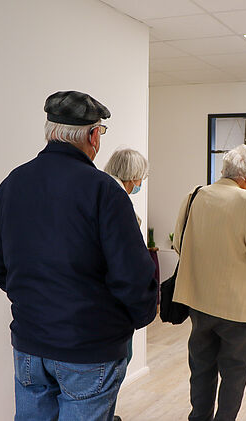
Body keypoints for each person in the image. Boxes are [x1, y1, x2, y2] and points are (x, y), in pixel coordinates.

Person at [0, 90, 158, 421]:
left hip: (30, 344)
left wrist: (36, 296)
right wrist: (130, 320)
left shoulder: (12, 183)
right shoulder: (104, 190)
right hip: (89, 346)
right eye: (100, 132)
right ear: (93, 136)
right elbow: (133, 277)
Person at [173, 144, 246, 421]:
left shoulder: (195, 195)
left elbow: (180, 243)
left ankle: (198, 417)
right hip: (237, 306)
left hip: (199, 299)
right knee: (234, 371)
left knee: (201, 367)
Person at [104, 147, 150, 421]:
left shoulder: (100, 190)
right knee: (117, 362)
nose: (140, 184)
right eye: (140, 177)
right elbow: (129, 261)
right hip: (113, 305)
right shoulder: (117, 200)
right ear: (132, 176)